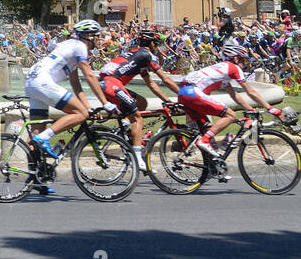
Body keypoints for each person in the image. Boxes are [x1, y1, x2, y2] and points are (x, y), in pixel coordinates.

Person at [178, 40, 288, 158]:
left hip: (183, 93)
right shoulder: (233, 68)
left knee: (208, 128)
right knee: (230, 115)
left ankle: (213, 165)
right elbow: (250, 91)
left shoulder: (222, 70)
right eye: (243, 60)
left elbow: (235, 95)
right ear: (236, 59)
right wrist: (271, 109)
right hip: (193, 92)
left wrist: (251, 109)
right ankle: (204, 141)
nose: (245, 64)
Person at [25, 19, 108, 171]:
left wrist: (88, 107)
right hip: (42, 82)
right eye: (97, 36)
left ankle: (36, 176)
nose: (99, 39)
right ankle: (45, 138)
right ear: (89, 35)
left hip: (32, 81)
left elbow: (75, 83)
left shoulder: (69, 45)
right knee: (79, 114)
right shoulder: (80, 47)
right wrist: (105, 103)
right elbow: (89, 75)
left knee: (36, 134)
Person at [97, 29, 185, 161]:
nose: (157, 47)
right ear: (150, 44)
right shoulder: (146, 55)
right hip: (112, 84)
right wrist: (183, 95)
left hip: (105, 83)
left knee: (142, 102)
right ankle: (137, 158)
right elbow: (165, 79)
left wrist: (167, 100)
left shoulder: (137, 55)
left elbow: (151, 84)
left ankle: (124, 128)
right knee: (138, 119)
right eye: (156, 44)